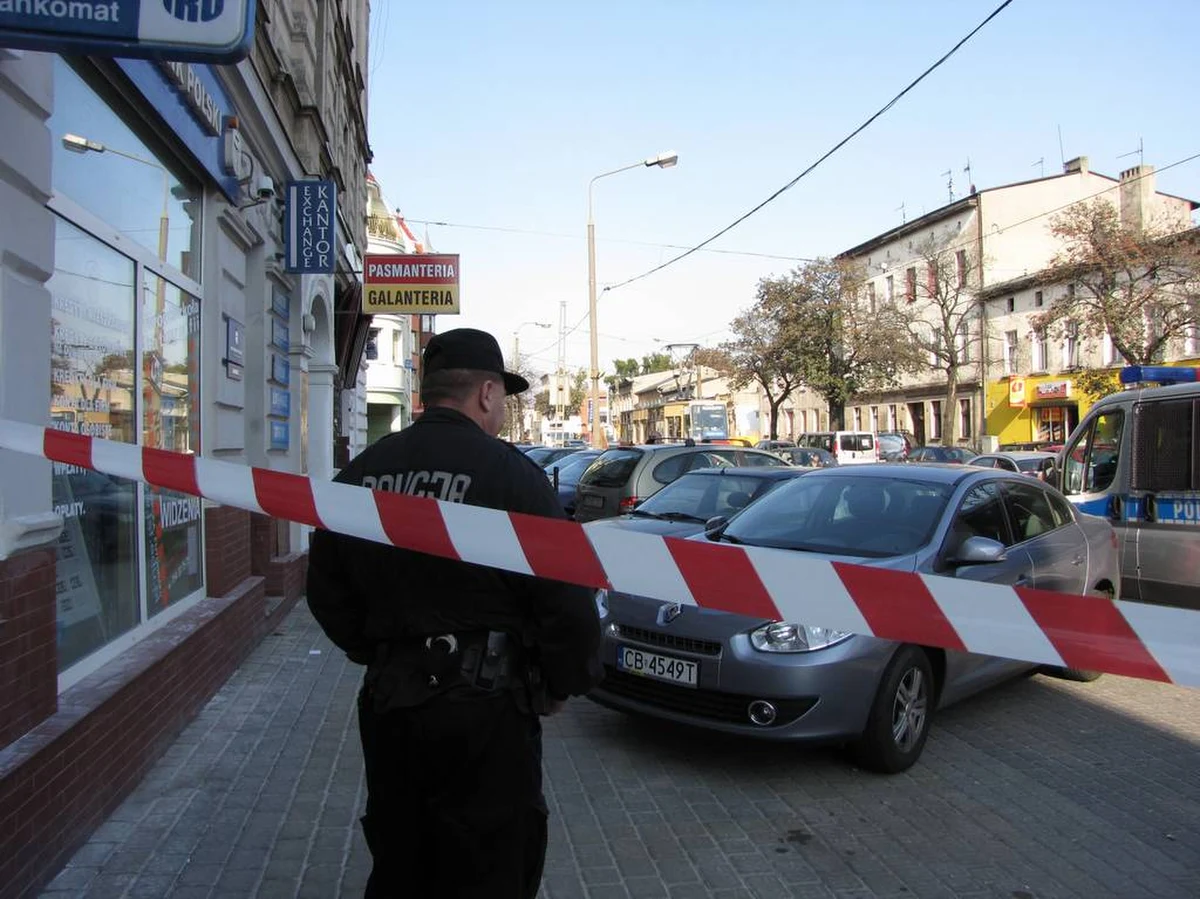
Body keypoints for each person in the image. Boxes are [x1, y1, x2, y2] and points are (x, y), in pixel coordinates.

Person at [306, 328, 604, 898]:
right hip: (485, 712)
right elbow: (566, 596)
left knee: (401, 857)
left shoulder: (363, 473)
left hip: (392, 704)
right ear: (487, 394)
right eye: (502, 400)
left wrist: (380, 652)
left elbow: (325, 589)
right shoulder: (512, 476)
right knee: (490, 864)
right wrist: (565, 681)